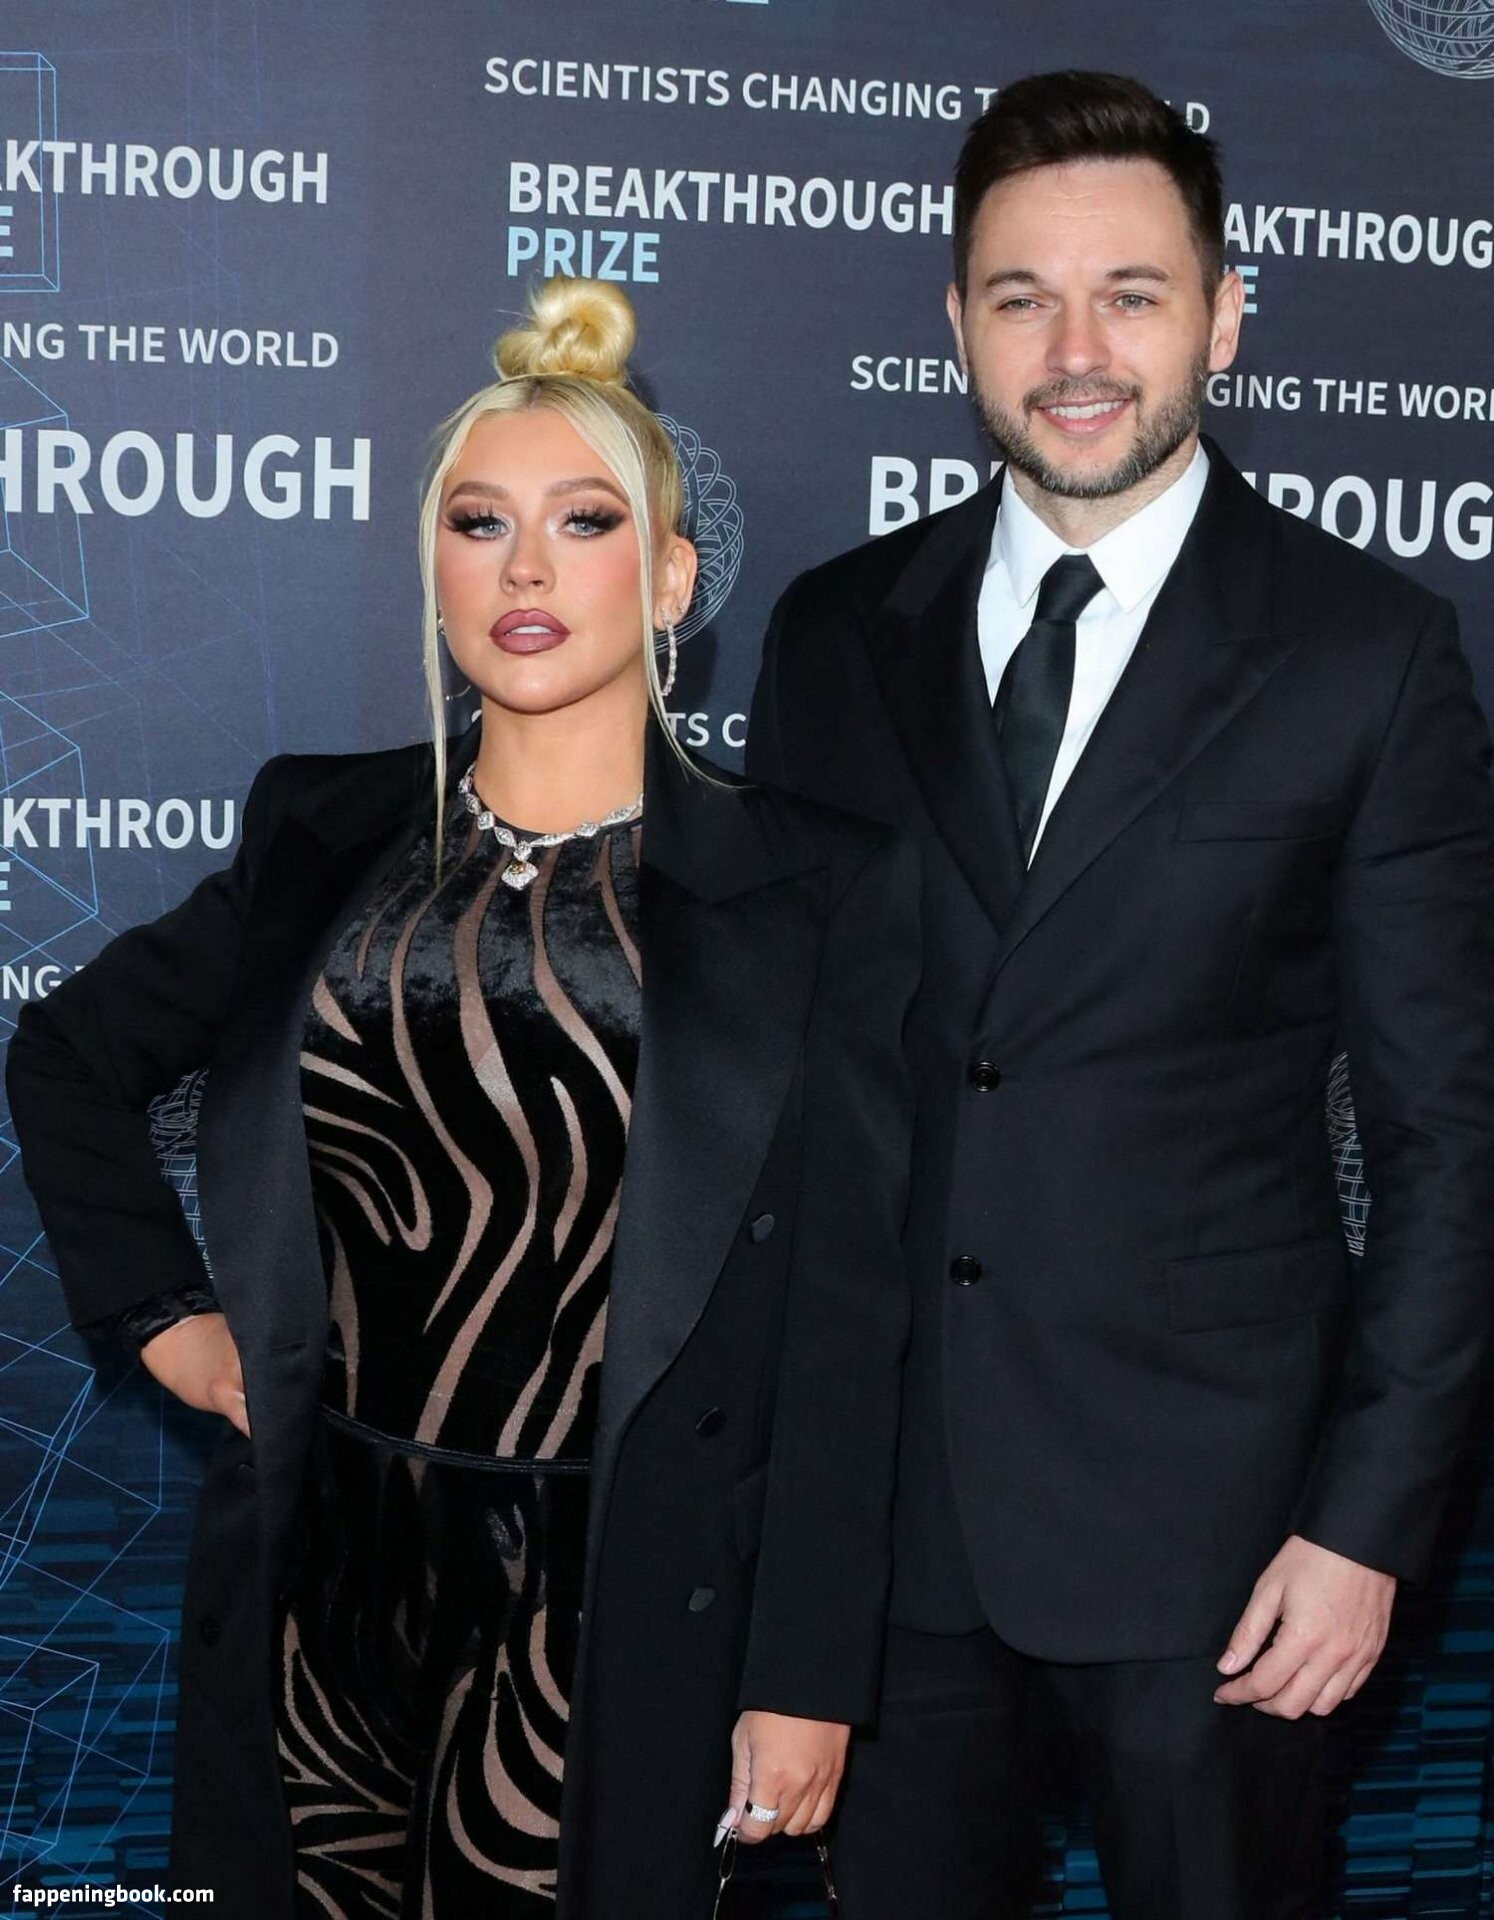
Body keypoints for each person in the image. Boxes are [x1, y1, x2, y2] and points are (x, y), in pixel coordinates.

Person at [6, 275, 920, 1920]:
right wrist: (163, 1318)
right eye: (478, 522)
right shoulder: (321, 832)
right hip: (324, 1579)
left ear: (671, 577)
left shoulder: (814, 887)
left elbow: (850, 1319)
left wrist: (804, 1676)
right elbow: (67, 1056)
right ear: (432, 568)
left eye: (584, 521)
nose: (522, 568)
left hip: (613, 1605)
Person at [748, 69, 1494, 1920]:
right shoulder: (835, 635)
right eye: (1022, 297)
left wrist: (1361, 1528)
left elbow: (1447, 1138)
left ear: (1223, 316)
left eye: (1131, 295)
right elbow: (783, 1107)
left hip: (1225, 1560)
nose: (1075, 352)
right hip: (892, 1548)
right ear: (955, 323)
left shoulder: (1366, 654)